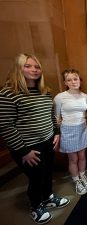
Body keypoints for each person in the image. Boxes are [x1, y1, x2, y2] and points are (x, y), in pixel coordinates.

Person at [0, 53, 70, 224]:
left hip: (48, 141)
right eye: (28, 66)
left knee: (47, 173)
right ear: (19, 68)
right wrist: (23, 151)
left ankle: (47, 197)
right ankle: (36, 205)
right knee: (36, 177)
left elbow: (51, 115)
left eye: (37, 66)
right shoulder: (8, 93)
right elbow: (5, 125)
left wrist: (56, 133)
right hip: (27, 147)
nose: (34, 69)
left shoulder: (45, 92)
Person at [54, 69, 87, 195]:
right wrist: (57, 132)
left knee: (82, 156)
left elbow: (85, 113)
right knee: (73, 158)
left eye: (75, 79)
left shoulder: (86, 97)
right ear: (65, 82)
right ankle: (77, 182)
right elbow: (56, 117)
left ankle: (82, 177)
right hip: (67, 130)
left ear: (79, 80)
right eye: (69, 80)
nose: (73, 82)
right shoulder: (59, 97)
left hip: (81, 129)